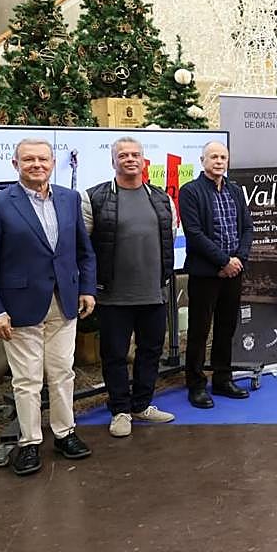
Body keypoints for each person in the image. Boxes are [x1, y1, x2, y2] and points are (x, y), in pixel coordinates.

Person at [0, 138, 97, 476]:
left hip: (64, 304)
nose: (36, 165)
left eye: (42, 159)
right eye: (28, 160)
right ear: (15, 165)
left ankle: (65, 433)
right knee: (27, 380)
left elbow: (83, 251)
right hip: (19, 308)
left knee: (62, 373)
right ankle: (29, 443)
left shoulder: (69, 199)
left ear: (53, 163)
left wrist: (86, 289)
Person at [83, 137, 177, 438]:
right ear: (114, 162)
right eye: (123, 155)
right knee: (114, 355)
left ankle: (142, 404)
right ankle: (120, 410)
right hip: (113, 295)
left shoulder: (161, 198)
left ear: (143, 160)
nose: (130, 159)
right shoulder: (95, 198)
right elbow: (84, 245)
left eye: (136, 154)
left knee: (150, 351)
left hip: (153, 292)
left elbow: (169, 239)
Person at [179, 140, 254, 408]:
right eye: (213, 157)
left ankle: (223, 379)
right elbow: (195, 234)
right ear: (203, 161)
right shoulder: (190, 192)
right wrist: (223, 261)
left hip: (235, 270)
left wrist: (238, 259)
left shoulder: (235, 191)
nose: (219, 161)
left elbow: (247, 227)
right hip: (205, 273)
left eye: (223, 157)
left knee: (227, 327)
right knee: (200, 330)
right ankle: (196, 384)